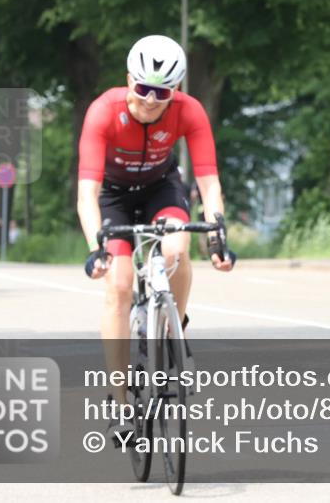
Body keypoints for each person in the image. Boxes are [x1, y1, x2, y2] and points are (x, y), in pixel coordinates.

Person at [76, 35, 234, 440]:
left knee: (177, 249)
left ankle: (173, 331)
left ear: (176, 90)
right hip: (113, 198)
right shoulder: (103, 112)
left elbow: (209, 181)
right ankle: (119, 399)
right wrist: (96, 247)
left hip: (160, 190)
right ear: (128, 78)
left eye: (161, 93)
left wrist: (217, 233)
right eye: (142, 88)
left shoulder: (189, 111)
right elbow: (86, 194)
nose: (149, 100)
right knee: (120, 285)